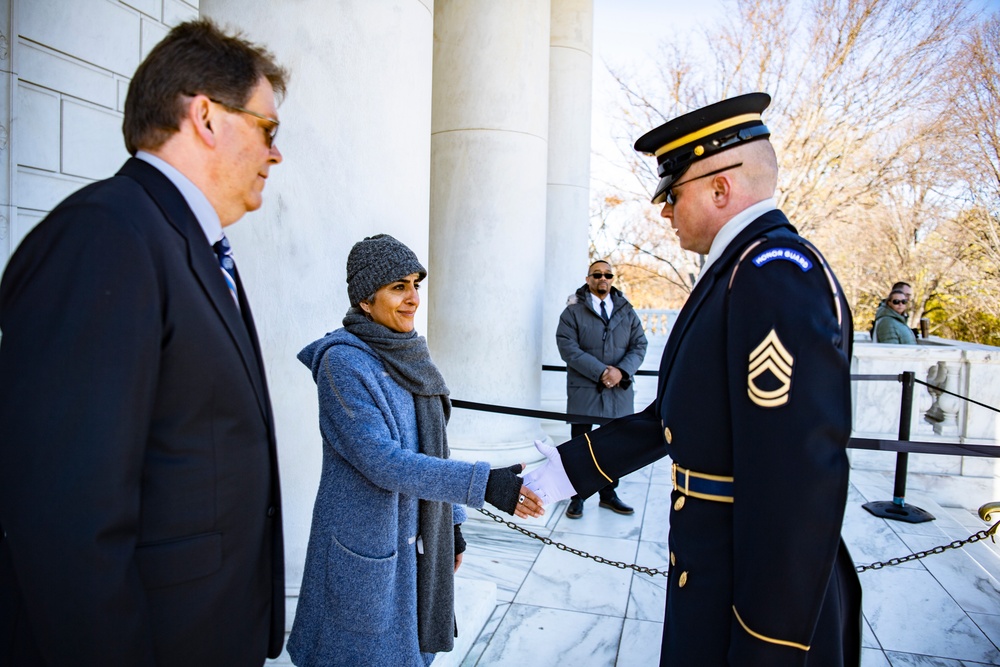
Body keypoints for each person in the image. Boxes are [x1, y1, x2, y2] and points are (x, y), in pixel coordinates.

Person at [526, 93, 862, 666]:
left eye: (672, 194)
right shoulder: (736, 272)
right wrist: (561, 473)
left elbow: (794, 477)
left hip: (751, 603)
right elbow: (675, 420)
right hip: (712, 573)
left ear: (720, 188)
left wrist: (766, 645)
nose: (663, 212)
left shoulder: (773, 273)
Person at [0, 20, 289, 667]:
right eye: (268, 131)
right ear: (206, 116)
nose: (276, 155)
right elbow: (67, 528)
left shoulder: (187, 241)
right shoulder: (104, 236)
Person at [287, 234, 544, 667]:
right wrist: (482, 484)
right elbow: (383, 462)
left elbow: (433, 448)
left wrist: (452, 525)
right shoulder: (342, 363)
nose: (412, 299)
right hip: (365, 542)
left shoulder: (409, 355)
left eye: (415, 285)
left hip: (418, 538)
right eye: (397, 287)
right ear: (365, 300)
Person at [556, 259, 648, 518]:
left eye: (608, 274)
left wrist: (620, 371)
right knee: (579, 447)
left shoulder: (626, 310)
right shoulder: (572, 312)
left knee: (614, 448)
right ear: (588, 279)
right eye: (597, 274)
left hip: (618, 393)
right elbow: (567, 347)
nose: (603, 279)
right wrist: (602, 372)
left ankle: (608, 495)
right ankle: (578, 496)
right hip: (584, 391)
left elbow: (640, 344)